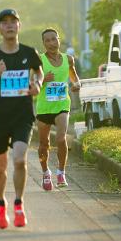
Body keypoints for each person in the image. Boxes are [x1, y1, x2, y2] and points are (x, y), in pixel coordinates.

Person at [0, 8, 42, 229]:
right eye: (4, 22)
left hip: (23, 116)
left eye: (13, 21)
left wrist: (38, 84)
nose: (9, 25)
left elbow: (39, 71)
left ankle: (19, 204)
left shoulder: (28, 52)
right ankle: (1, 204)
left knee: (20, 160)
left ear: (19, 26)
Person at [34, 28, 80, 191]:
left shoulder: (68, 59)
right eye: (48, 40)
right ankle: (46, 173)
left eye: (54, 39)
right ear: (44, 43)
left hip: (62, 105)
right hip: (44, 107)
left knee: (61, 139)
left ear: (59, 40)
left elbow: (74, 77)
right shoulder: (39, 61)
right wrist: (43, 79)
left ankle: (61, 172)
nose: (52, 43)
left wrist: (76, 84)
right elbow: (31, 82)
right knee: (43, 144)